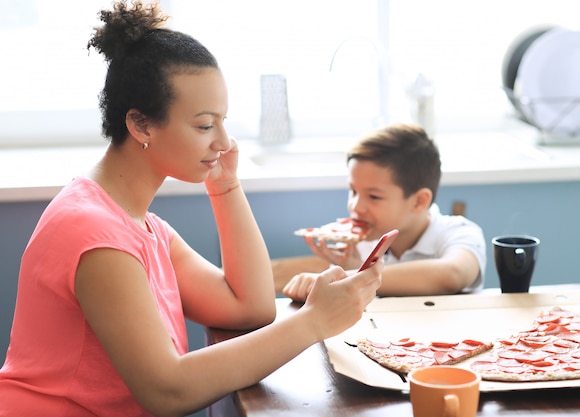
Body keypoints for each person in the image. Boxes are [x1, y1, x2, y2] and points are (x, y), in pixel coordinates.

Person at [0, 2, 382, 416]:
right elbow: (167, 392)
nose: (224, 141)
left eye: (223, 121)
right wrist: (312, 322)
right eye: (204, 125)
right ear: (141, 124)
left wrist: (226, 186)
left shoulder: (141, 225)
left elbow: (250, 306)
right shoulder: (95, 235)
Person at [282, 123, 485, 301]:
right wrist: (355, 268)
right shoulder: (361, 245)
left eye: (374, 196)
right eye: (353, 191)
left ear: (419, 201)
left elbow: (451, 274)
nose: (355, 206)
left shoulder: (460, 231)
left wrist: (353, 277)